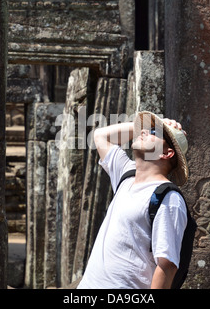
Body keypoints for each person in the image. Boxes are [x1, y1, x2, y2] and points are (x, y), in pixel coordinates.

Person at [77, 111, 189, 289]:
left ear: (166, 153)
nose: (143, 133)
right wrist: (145, 128)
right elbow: (100, 136)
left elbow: (167, 266)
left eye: (154, 134)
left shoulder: (169, 199)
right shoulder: (126, 174)